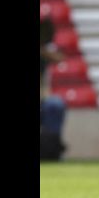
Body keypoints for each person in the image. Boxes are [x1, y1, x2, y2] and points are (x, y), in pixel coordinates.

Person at [40, 18, 67, 161]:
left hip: (42, 101)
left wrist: (42, 49)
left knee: (55, 105)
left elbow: (59, 58)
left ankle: (51, 150)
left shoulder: (45, 51)